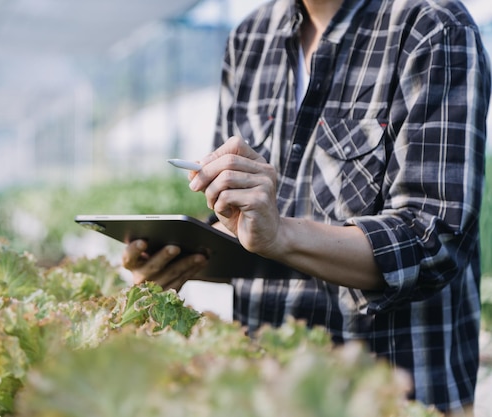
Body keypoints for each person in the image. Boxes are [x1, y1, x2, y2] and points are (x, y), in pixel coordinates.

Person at [122, 0, 491, 414]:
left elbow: (431, 241)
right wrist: (183, 257)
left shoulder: (429, 25)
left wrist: (280, 235)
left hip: (389, 399)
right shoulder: (250, 38)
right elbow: (244, 218)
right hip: (266, 395)